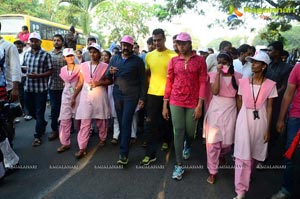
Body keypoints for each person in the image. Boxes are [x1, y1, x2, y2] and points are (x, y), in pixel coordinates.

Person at [162, 32, 207, 180]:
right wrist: (165, 104)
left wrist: (200, 104)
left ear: (190, 44)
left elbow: (202, 82)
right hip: (176, 100)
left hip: (193, 101)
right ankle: (179, 164)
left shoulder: (200, 60)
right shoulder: (174, 61)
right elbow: (169, 82)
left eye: (183, 44)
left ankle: (187, 145)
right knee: (178, 130)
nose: (180, 46)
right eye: (178, 44)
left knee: (190, 131)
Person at [233, 51, 277, 199]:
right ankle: (240, 190)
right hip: (244, 119)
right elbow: (239, 100)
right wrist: (240, 118)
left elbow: (270, 107)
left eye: (256, 62)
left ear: (264, 66)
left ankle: (247, 176)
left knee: (253, 155)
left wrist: (267, 129)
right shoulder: (243, 82)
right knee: (241, 155)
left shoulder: (271, 85)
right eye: (252, 62)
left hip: (261, 121)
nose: (253, 64)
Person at [105, 35, 146, 165]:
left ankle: (123, 154)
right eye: (124, 45)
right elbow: (107, 75)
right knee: (121, 122)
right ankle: (124, 143)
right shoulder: (115, 58)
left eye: (128, 45)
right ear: (121, 45)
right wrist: (110, 71)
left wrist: (142, 98)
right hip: (117, 95)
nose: (126, 47)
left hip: (131, 96)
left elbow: (143, 81)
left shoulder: (138, 61)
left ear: (132, 46)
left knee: (126, 122)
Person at [140, 29, 177, 166]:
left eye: (159, 40)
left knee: (167, 121)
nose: (156, 43)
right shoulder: (149, 56)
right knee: (150, 123)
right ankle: (150, 154)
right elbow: (147, 73)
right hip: (153, 94)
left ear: (164, 39)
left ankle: (167, 141)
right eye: (154, 40)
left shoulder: (173, 56)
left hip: (170, 95)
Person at [204, 52, 242, 184]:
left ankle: (222, 155)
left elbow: (238, 97)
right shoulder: (214, 75)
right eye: (219, 62)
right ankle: (213, 171)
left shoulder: (238, 77)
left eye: (224, 62)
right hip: (215, 109)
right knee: (213, 142)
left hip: (230, 109)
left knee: (227, 143)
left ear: (230, 63)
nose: (221, 65)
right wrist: (219, 73)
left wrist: (240, 115)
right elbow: (214, 91)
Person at [74, 43, 110, 159]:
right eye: (91, 52)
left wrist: (99, 83)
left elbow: (110, 81)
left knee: (101, 119)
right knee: (85, 121)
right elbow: (80, 82)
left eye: (95, 52)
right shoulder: (83, 65)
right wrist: (73, 96)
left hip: (99, 95)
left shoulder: (105, 66)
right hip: (86, 95)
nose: (92, 54)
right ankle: (82, 147)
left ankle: (103, 138)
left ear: (99, 53)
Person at [272, 62, 300, 199]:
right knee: (291, 153)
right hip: (297, 116)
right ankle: (286, 189)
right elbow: (288, 94)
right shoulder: (298, 67)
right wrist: (281, 119)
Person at [23, 32, 53, 146]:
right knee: (30, 111)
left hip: (41, 89)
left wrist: (38, 76)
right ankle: (43, 123)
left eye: (36, 41)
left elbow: (50, 71)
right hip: (28, 88)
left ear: (40, 42)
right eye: (32, 41)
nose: (33, 43)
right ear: (29, 42)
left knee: (40, 112)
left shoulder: (46, 55)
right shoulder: (26, 54)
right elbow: (25, 67)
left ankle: (37, 136)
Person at [265, 41, 292, 146]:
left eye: (270, 50)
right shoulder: (267, 66)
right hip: (264, 101)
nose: (268, 52)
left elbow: (285, 86)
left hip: (278, 103)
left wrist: (272, 95)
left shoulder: (288, 67)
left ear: (277, 52)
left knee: (274, 128)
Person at [56, 48, 83, 153]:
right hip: (66, 96)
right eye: (67, 56)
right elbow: (66, 83)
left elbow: (80, 83)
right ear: (64, 58)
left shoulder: (79, 68)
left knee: (80, 119)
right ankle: (65, 143)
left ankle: (82, 143)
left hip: (78, 95)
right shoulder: (63, 69)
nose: (70, 58)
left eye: (71, 55)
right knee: (64, 119)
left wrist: (74, 96)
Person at [0, 22, 21, 146]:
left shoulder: (8, 46)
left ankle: (9, 148)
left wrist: (15, 88)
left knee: (6, 122)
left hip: (7, 89)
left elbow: (15, 68)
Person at [48, 34, 66, 141]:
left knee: (67, 108)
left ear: (62, 42)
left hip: (67, 87)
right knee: (54, 109)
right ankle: (54, 130)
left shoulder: (67, 53)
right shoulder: (49, 54)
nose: (56, 42)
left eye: (58, 40)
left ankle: (68, 128)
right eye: (54, 40)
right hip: (53, 86)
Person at [13, 40, 32, 121]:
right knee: (20, 96)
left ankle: (28, 112)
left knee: (26, 95)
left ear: (22, 46)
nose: (18, 48)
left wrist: (21, 67)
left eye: (19, 46)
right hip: (17, 78)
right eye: (16, 46)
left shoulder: (25, 54)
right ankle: (23, 112)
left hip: (25, 77)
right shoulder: (13, 55)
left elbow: (28, 66)